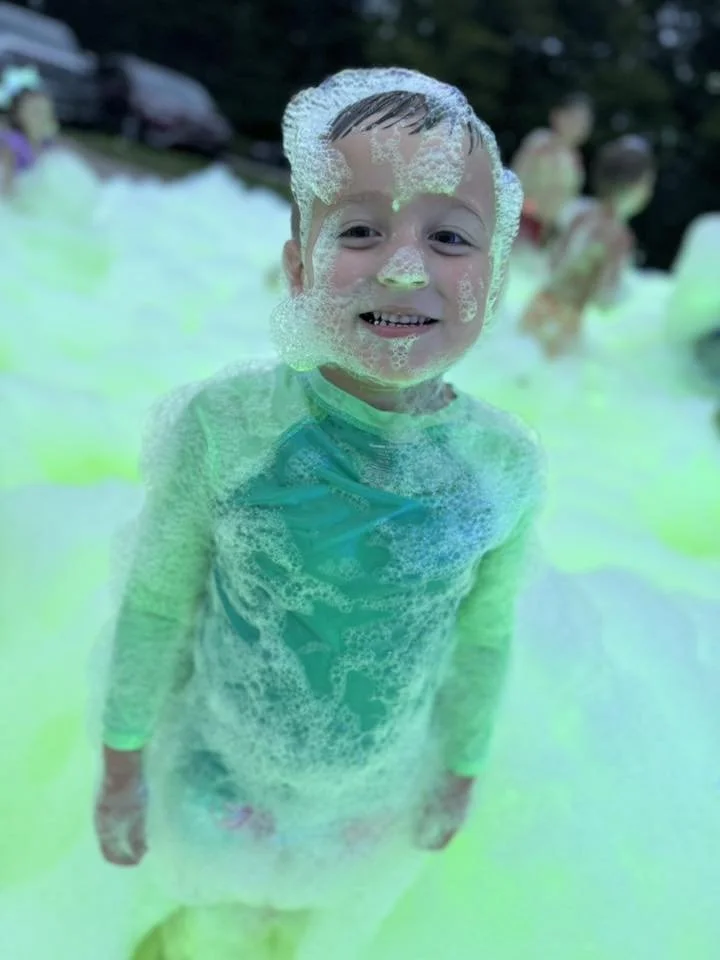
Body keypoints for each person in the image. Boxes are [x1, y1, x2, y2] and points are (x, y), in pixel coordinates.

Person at [94, 67, 544, 960]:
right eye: (363, 228)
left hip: (369, 801)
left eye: (450, 236)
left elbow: (485, 636)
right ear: (299, 267)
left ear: (491, 281)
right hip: (219, 777)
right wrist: (122, 764)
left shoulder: (500, 468)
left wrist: (459, 769)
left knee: (306, 928)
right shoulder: (227, 429)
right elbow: (156, 602)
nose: (405, 265)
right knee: (186, 919)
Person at [520, 135, 656, 359]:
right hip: (567, 318)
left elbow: (553, 260)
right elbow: (606, 296)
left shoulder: (581, 214)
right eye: (648, 185)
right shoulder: (619, 236)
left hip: (540, 302)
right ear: (635, 188)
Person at [511, 92, 593, 247]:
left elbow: (570, 197)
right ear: (557, 115)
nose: (578, 127)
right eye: (573, 118)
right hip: (522, 219)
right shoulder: (539, 142)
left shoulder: (575, 160)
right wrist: (529, 210)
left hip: (549, 231)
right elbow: (517, 179)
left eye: (583, 123)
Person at [0, 66, 59, 197]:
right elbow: (6, 183)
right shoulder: (11, 143)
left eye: (43, 112)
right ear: (16, 114)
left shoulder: (46, 143)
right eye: (33, 112)